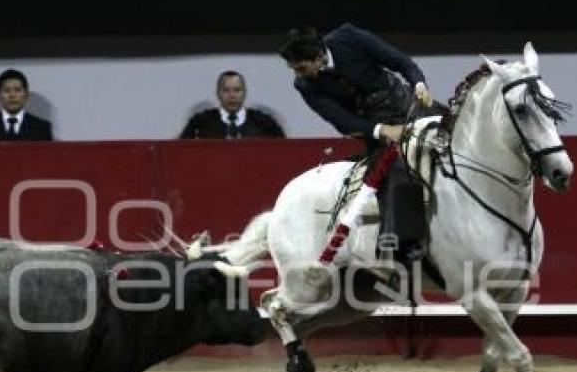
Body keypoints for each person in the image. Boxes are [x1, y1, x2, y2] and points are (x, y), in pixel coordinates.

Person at [278, 24, 445, 265]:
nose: (300, 75)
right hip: (374, 127)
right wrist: (381, 131)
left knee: (459, 134)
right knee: (392, 170)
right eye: (295, 70)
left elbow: (400, 62)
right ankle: (399, 245)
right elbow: (341, 120)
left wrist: (419, 85)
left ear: (318, 56)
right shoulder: (304, 85)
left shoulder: (349, 37)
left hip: (409, 105)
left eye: (302, 68)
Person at [180, 70, 285, 139]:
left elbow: (283, 150)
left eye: (237, 90)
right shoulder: (200, 123)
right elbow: (181, 150)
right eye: (226, 90)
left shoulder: (264, 123)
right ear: (218, 93)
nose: (232, 95)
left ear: (244, 93)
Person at [0, 69, 53, 141]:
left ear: (26, 95)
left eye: (17, 90)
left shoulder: (41, 127)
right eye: (7, 90)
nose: (12, 95)